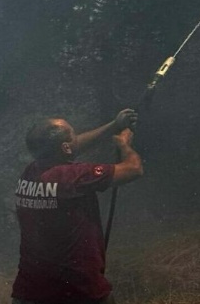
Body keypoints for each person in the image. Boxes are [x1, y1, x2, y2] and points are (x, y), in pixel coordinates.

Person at [11, 109, 144, 304]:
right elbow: (134, 169)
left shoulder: (31, 172)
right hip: (77, 289)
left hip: (31, 290)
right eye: (73, 135)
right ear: (64, 148)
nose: (77, 138)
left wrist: (113, 125)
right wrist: (124, 145)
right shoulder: (75, 177)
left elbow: (72, 147)